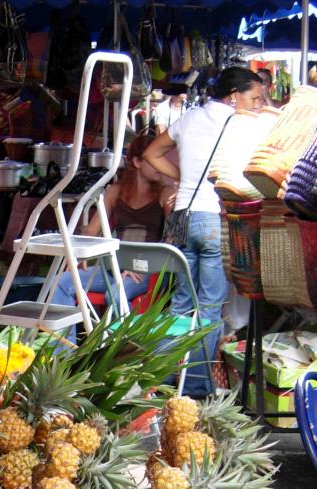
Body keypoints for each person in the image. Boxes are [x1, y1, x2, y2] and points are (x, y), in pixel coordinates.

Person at [144, 66, 265, 397]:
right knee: (211, 306)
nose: (257, 105)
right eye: (254, 98)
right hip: (214, 217)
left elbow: (150, 154)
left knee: (182, 302)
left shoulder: (189, 118)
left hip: (182, 216)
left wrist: (182, 177)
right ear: (233, 96)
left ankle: (166, 378)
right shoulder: (240, 123)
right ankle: (197, 385)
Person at [50, 131, 168, 312]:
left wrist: (139, 265)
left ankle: (122, 340)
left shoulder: (164, 193)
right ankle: (64, 341)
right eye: (155, 160)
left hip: (148, 269)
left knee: (115, 294)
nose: (161, 165)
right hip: (114, 266)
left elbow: (171, 239)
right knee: (61, 281)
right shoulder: (116, 191)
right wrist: (76, 257)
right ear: (137, 162)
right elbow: (91, 230)